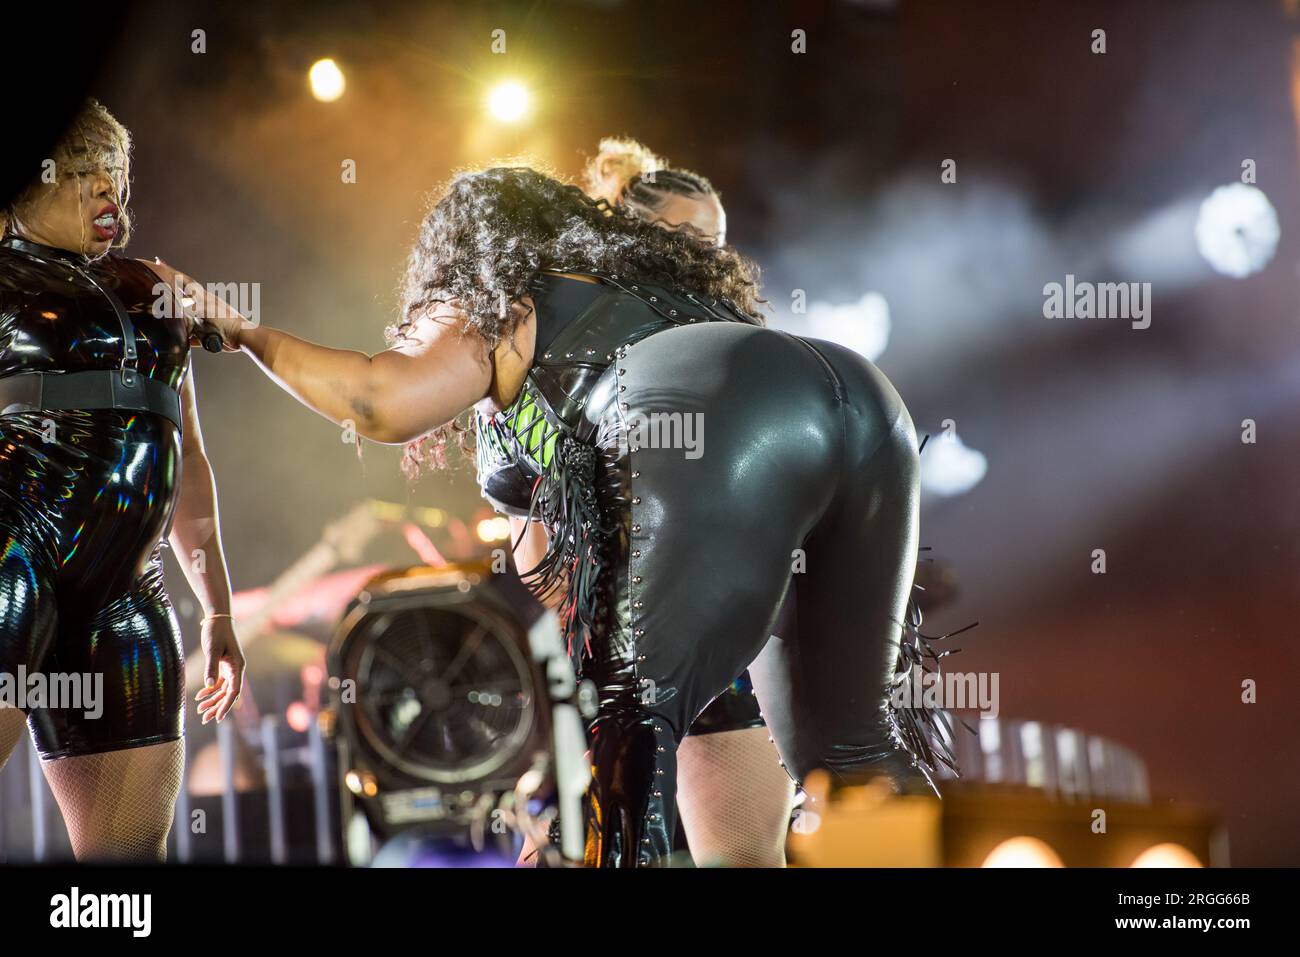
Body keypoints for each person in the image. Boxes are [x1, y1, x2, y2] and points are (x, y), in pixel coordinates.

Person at [177, 163, 951, 866]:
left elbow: (380, 401)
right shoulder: (668, 298)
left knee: (633, 708)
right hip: (865, 405)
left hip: (724, 443)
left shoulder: (500, 298)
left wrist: (241, 329)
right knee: (850, 753)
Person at [507, 137, 795, 867]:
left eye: (719, 244)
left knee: (751, 846)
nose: (711, 259)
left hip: (708, 628)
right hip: (612, 640)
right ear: (630, 236)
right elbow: (529, 513)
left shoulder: (726, 343)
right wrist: (581, 630)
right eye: (690, 240)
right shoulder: (567, 336)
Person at [0, 100, 244, 861]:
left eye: (116, 174)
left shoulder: (155, 288)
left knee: (128, 871)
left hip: (127, 595)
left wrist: (219, 612)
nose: (109, 192)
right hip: (15, 559)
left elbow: (190, 457)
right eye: (81, 173)